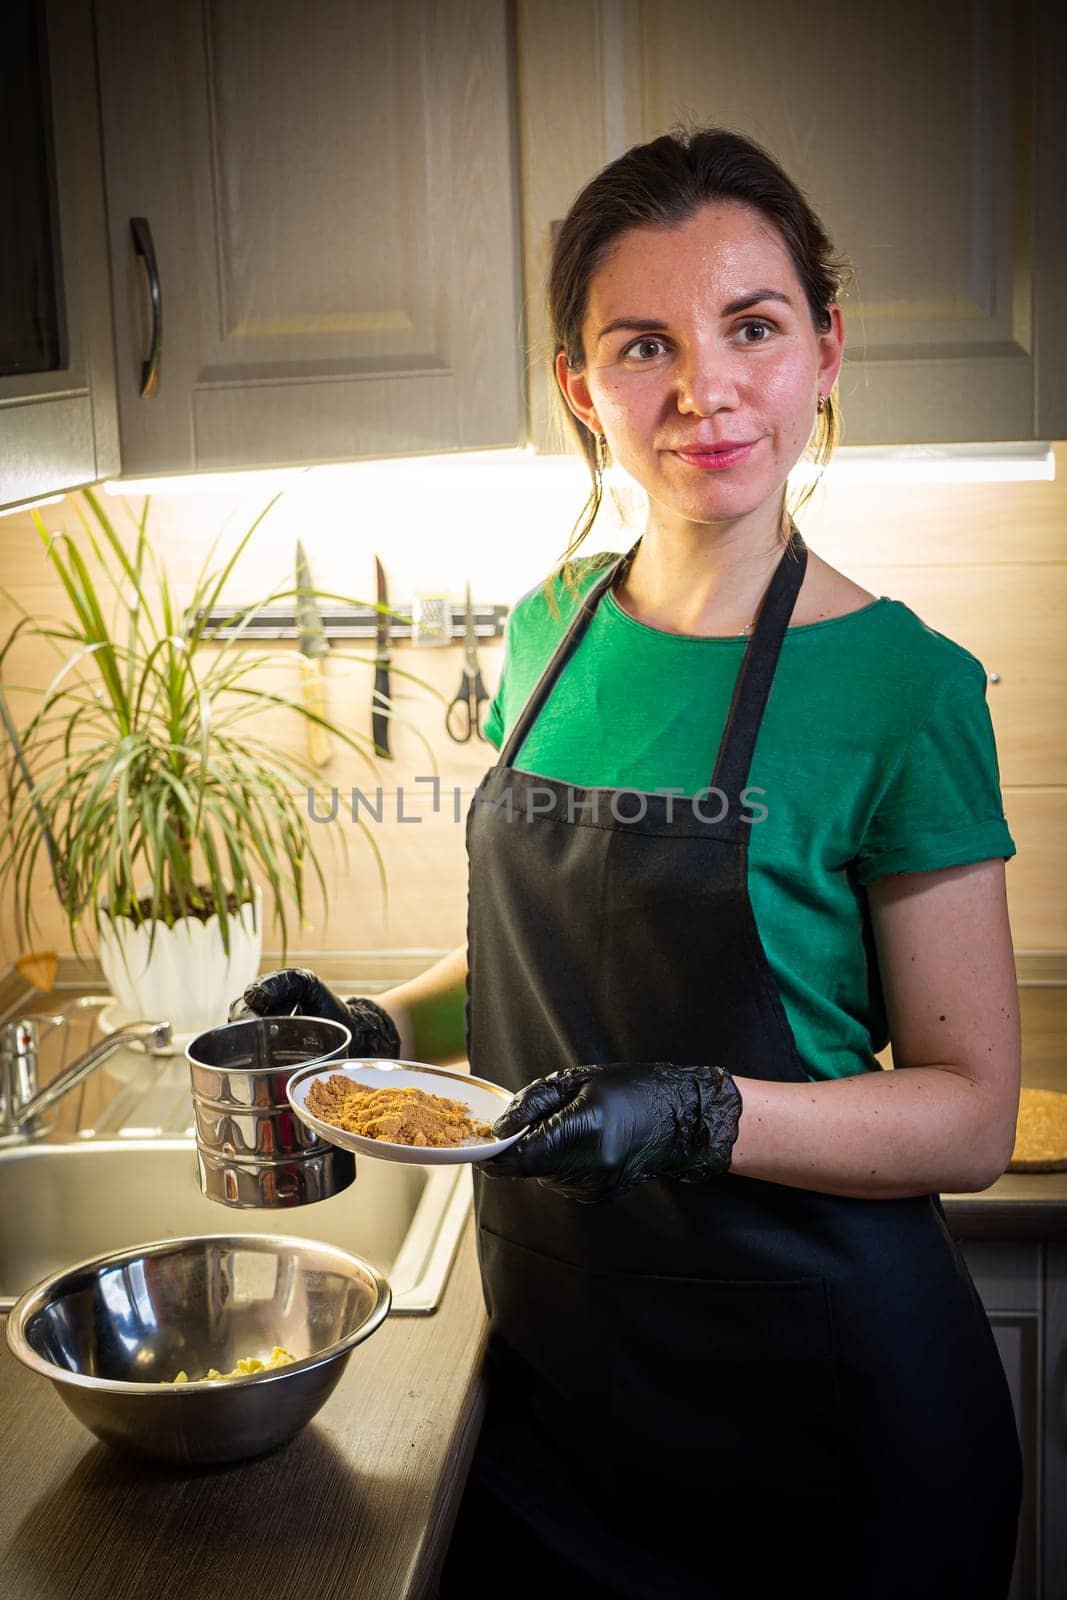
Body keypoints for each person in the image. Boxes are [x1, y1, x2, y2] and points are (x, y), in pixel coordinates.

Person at [236, 128, 1023, 1599]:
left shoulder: (907, 688)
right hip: (562, 1402)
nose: (704, 387)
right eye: (642, 343)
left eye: (754, 327)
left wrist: (701, 1112)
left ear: (827, 348)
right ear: (579, 387)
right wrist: (381, 1030)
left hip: (826, 1435)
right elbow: (560, 957)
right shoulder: (551, 635)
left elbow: (971, 1113)